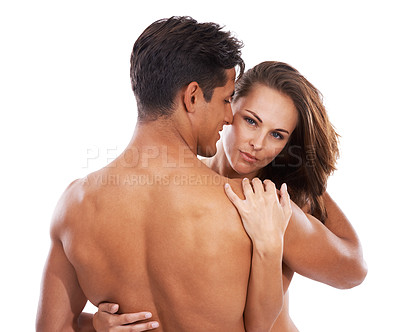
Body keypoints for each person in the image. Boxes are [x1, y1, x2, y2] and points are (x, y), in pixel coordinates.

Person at [36, 16, 292, 332]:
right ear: (193, 96)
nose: (229, 117)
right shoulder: (249, 204)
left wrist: (96, 327)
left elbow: (52, 328)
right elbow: (352, 269)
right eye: (227, 100)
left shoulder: (74, 204)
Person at [88, 61, 368, 331]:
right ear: (228, 106)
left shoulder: (277, 204)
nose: (257, 144)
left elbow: (353, 270)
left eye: (277, 136)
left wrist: (306, 180)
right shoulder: (178, 186)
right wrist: (95, 324)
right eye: (251, 121)